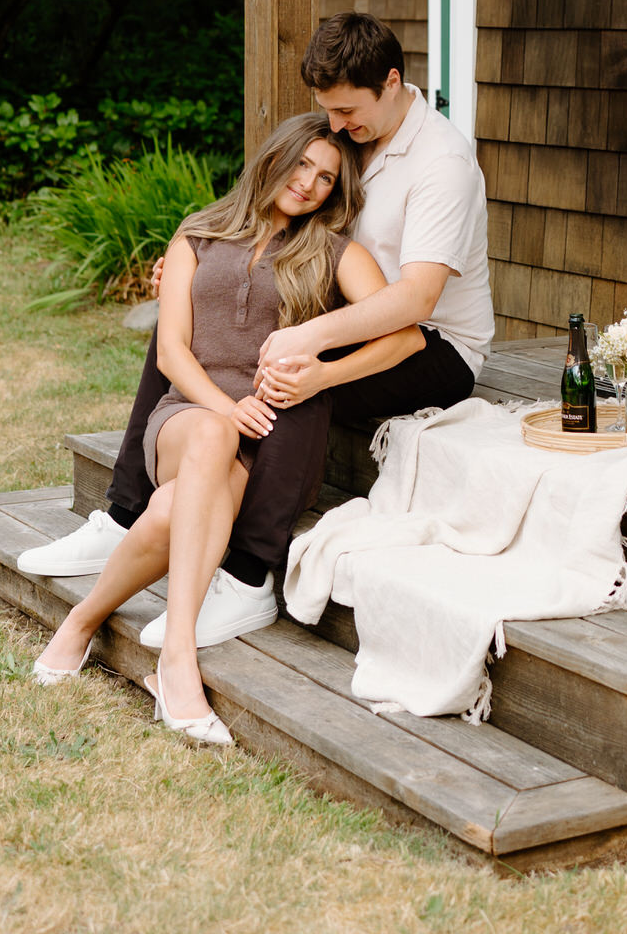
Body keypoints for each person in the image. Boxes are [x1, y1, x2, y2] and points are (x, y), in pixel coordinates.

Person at [20, 13, 494, 647]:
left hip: (434, 345)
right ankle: (126, 515)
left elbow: (416, 299)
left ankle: (247, 576)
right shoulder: (354, 132)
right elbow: (291, 210)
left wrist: (314, 345)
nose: (335, 125)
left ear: (392, 81)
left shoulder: (442, 162)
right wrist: (194, 266)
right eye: (327, 111)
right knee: (179, 328)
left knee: (295, 381)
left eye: (347, 110)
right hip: (349, 311)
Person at [29, 112, 424, 745]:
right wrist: (222, 406)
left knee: (173, 510)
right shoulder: (199, 234)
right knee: (211, 438)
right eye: (302, 165)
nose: (311, 184)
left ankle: (81, 621)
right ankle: (179, 654)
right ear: (275, 158)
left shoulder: (332, 252)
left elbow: (406, 338)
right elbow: (172, 352)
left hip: (257, 444)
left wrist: (323, 374)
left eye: (326, 178)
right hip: (185, 419)